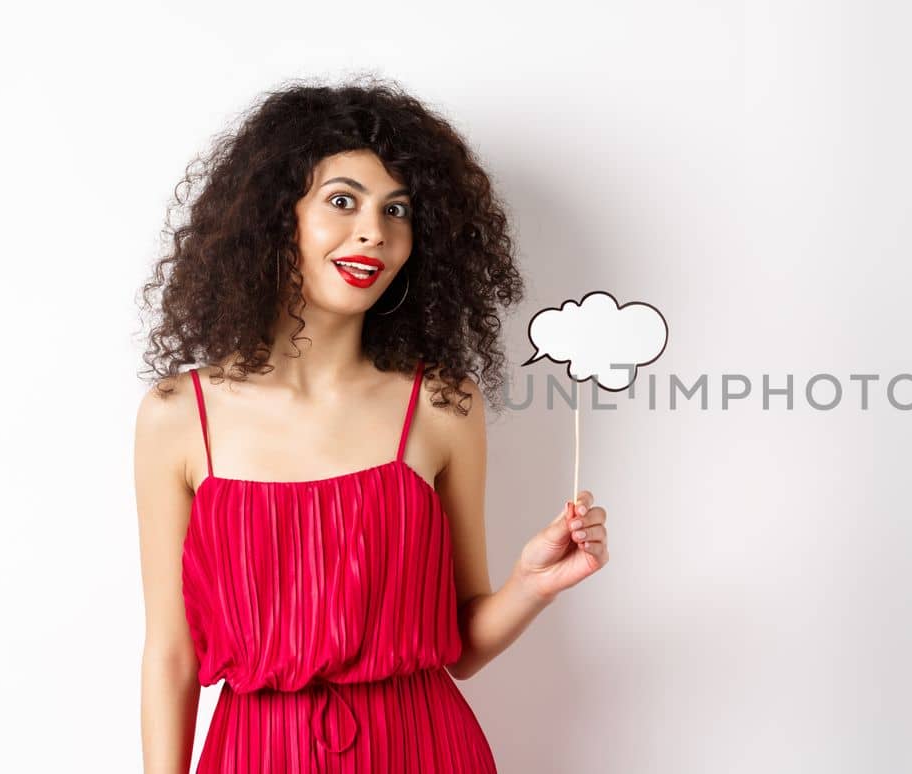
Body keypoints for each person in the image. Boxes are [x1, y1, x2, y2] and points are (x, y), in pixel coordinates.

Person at [133, 76, 611, 773]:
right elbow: (170, 656)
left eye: (399, 210)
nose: (374, 232)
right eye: (341, 201)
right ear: (275, 216)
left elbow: (462, 646)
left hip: (424, 751)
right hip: (258, 757)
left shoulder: (444, 406)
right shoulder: (178, 417)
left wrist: (533, 584)